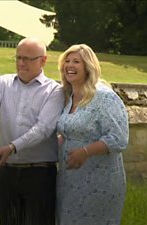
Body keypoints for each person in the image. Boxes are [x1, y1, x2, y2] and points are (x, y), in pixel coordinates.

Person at [0, 37, 64, 225]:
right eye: (18, 58)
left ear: (43, 60)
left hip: (39, 174)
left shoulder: (54, 91)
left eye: (28, 59)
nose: (21, 63)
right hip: (7, 172)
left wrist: (12, 147)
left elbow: (43, 129)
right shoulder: (3, 83)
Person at [56, 44, 129, 225]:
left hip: (98, 181)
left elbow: (119, 138)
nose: (69, 65)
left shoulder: (104, 97)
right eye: (67, 61)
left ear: (88, 66)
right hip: (70, 179)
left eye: (76, 62)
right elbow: (71, 131)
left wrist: (85, 151)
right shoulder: (69, 96)